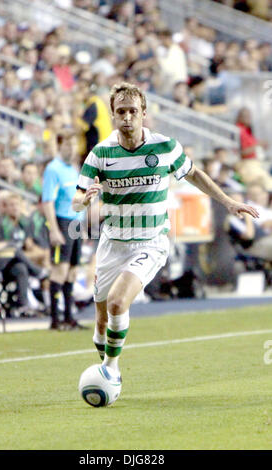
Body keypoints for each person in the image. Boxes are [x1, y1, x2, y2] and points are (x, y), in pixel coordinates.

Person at [72, 82, 259, 385]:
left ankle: (111, 370)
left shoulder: (164, 146)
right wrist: (86, 198)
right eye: (121, 112)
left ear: (144, 113)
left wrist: (229, 201)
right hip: (112, 244)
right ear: (113, 114)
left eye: (133, 111)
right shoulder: (101, 153)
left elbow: (194, 174)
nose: (128, 117)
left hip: (150, 242)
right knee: (101, 325)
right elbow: (77, 200)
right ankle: (106, 362)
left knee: (119, 302)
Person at [42, 130, 88, 331]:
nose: (72, 149)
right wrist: (53, 229)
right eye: (68, 145)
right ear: (60, 146)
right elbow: (48, 201)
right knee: (59, 270)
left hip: (75, 223)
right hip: (62, 222)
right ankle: (54, 319)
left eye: (74, 145)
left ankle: (69, 317)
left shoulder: (74, 168)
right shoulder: (53, 169)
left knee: (72, 272)